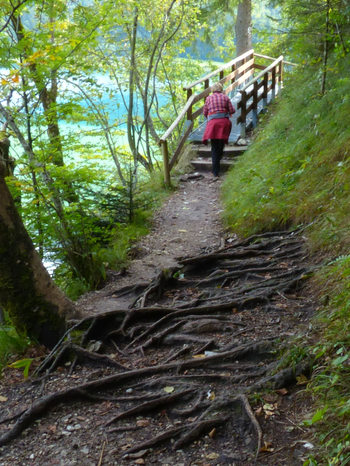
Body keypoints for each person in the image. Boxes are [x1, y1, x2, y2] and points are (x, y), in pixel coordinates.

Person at [202, 82, 235, 178]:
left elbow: (205, 112)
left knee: (214, 147)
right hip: (224, 123)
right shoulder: (225, 97)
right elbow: (232, 110)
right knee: (220, 145)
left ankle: (215, 171)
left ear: (212, 89)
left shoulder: (208, 98)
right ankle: (217, 165)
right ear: (221, 89)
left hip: (213, 125)